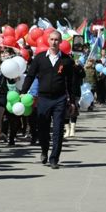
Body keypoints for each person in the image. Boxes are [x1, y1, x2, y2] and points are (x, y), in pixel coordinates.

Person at [20, 31, 78, 169]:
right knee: (43, 129)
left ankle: (54, 158)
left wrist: (72, 101)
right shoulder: (39, 58)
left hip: (60, 98)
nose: (54, 42)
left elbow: (70, 82)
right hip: (43, 98)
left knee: (58, 129)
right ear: (48, 41)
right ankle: (44, 150)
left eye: (57, 40)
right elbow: (30, 76)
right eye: (51, 39)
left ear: (61, 41)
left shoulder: (67, 60)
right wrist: (23, 92)